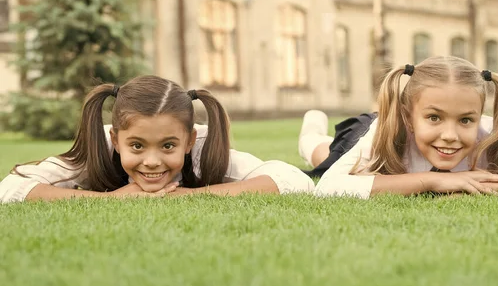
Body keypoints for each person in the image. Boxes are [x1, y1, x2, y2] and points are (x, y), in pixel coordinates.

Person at [298, 56, 498, 198]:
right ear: (408, 116)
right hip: (371, 131)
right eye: (434, 118)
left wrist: (490, 186)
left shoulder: (490, 137)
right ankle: (310, 130)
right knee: (324, 157)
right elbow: (328, 187)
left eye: (465, 120)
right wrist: (436, 181)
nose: (450, 136)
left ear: (479, 117)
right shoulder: (388, 131)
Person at [0, 75, 314, 203]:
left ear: (189, 141)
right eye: (136, 146)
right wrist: (112, 199)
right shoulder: (100, 148)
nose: (152, 161)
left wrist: (186, 196)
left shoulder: (204, 147)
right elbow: (11, 188)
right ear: (116, 138)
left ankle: (312, 133)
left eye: (168, 146)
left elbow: (295, 180)